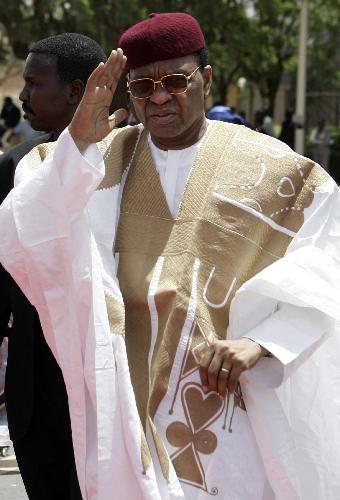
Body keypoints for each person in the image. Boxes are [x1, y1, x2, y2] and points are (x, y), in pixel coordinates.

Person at [1, 12, 340, 500]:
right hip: (125, 415)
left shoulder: (276, 170)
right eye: (143, 86)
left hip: (229, 420)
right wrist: (77, 142)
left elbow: (326, 261)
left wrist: (263, 343)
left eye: (175, 80)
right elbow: (23, 228)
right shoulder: (96, 160)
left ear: (205, 78)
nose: (159, 96)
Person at [0, 32, 107, 500]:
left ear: (76, 90)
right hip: (36, 386)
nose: (22, 96)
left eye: (34, 83)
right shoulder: (18, 167)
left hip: (105, 375)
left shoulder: (126, 164)